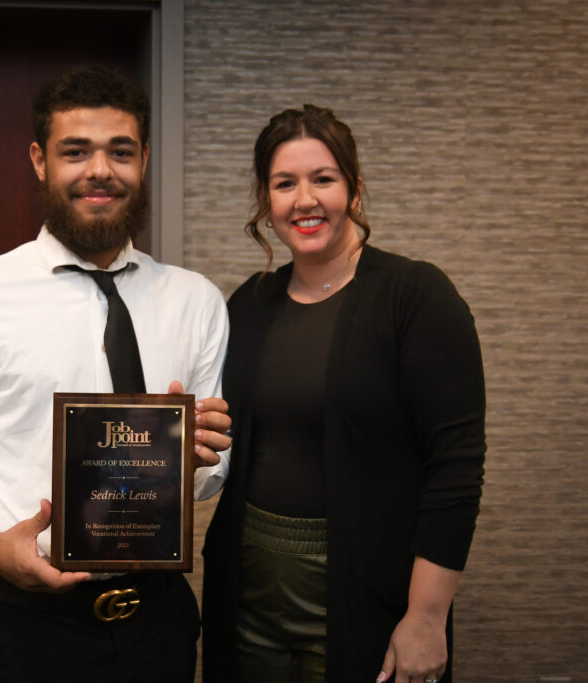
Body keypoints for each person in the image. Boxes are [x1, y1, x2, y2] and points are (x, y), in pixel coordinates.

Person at [0, 64, 231, 683]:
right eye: (77, 151)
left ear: (144, 160)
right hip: (22, 631)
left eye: (120, 152)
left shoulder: (195, 299)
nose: (101, 170)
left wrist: (207, 457)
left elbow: (209, 479)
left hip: (160, 624)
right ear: (40, 161)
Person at [201, 104, 486, 683]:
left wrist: (427, 617)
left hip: (362, 592)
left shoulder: (415, 297)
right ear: (266, 202)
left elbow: (455, 469)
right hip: (247, 588)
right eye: (285, 184)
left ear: (354, 191)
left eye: (322, 179)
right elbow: (229, 442)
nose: (304, 200)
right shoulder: (247, 305)